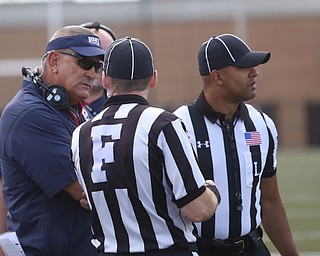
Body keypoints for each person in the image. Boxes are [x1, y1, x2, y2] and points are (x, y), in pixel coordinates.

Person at [71, 37, 221, 256]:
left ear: (104, 80)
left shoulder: (80, 134)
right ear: (153, 79)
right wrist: (212, 190)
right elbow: (196, 209)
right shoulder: (163, 124)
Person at [174, 34, 299, 256]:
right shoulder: (178, 126)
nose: (255, 72)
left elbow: (269, 200)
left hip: (251, 247)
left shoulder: (262, 124)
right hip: (198, 249)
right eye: (243, 67)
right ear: (218, 77)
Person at [0, 25, 106, 255]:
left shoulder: (71, 108)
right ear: (54, 61)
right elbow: (87, 192)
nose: (92, 73)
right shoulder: (28, 114)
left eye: (97, 66)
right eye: (84, 62)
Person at [80, 21, 117, 118]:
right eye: (91, 56)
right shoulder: (53, 108)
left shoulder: (121, 110)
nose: (100, 63)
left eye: (106, 56)